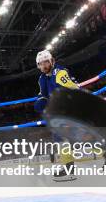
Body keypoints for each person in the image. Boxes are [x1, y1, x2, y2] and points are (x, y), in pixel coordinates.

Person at [34, 50, 80, 181]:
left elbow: (74, 89)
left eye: (46, 62)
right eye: (41, 64)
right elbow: (43, 94)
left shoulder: (59, 73)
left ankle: (69, 169)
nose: (44, 66)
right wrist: (41, 100)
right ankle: (68, 167)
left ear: (51, 61)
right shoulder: (42, 78)